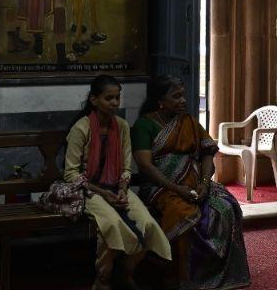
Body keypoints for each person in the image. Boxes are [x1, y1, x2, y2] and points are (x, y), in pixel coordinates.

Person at [131, 75, 251, 290]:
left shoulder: (188, 121)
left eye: (183, 95)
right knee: (184, 215)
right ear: (161, 100)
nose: (183, 100)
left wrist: (205, 184)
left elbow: (207, 154)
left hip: (196, 184)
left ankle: (216, 272)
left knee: (226, 208)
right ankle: (181, 276)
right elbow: (146, 166)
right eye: (176, 96)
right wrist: (177, 188)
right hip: (161, 188)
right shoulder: (144, 125)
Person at [64, 75, 171, 289]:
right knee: (111, 224)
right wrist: (103, 193)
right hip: (88, 190)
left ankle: (126, 270)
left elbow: (126, 167)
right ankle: (102, 279)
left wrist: (122, 189)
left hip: (116, 187)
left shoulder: (121, 126)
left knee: (148, 224)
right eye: (108, 98)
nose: (114, 103)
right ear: (94, 100)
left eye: (117, 98)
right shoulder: (81, 128)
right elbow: (71, 174)